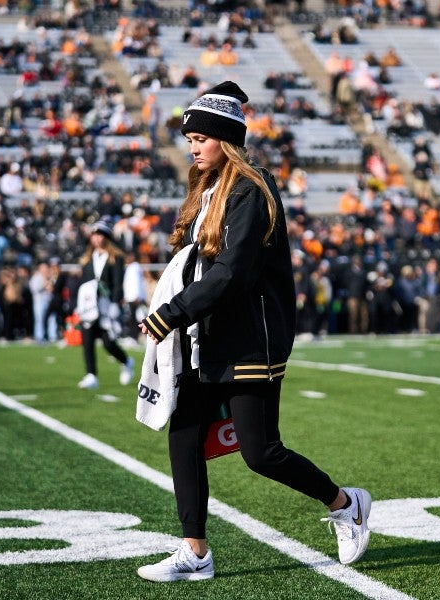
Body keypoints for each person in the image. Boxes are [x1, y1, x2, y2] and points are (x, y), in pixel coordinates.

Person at [136, 81, 371, 583]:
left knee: (260, 452)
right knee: (184, 434)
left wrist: (171, 313)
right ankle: (195, 551)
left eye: (201, 137)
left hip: (250, 338)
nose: (193, 146)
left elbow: (234, 273)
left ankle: (346, 504)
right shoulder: (208, 189)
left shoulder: (252, 189)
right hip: (207, 335)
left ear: (226, 137)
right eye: (190, 139)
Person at [75, 221, 135, 390]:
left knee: (108, 342)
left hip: (106, 306)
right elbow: (83, 284)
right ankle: (91, 375)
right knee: (87, 339)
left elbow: (117, 283)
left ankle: (126, 360)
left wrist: (116, 303)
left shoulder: (114, 259)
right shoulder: (87, 259)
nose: (97, 238)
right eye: (94, 235)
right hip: (89, 306)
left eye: (100, 235)